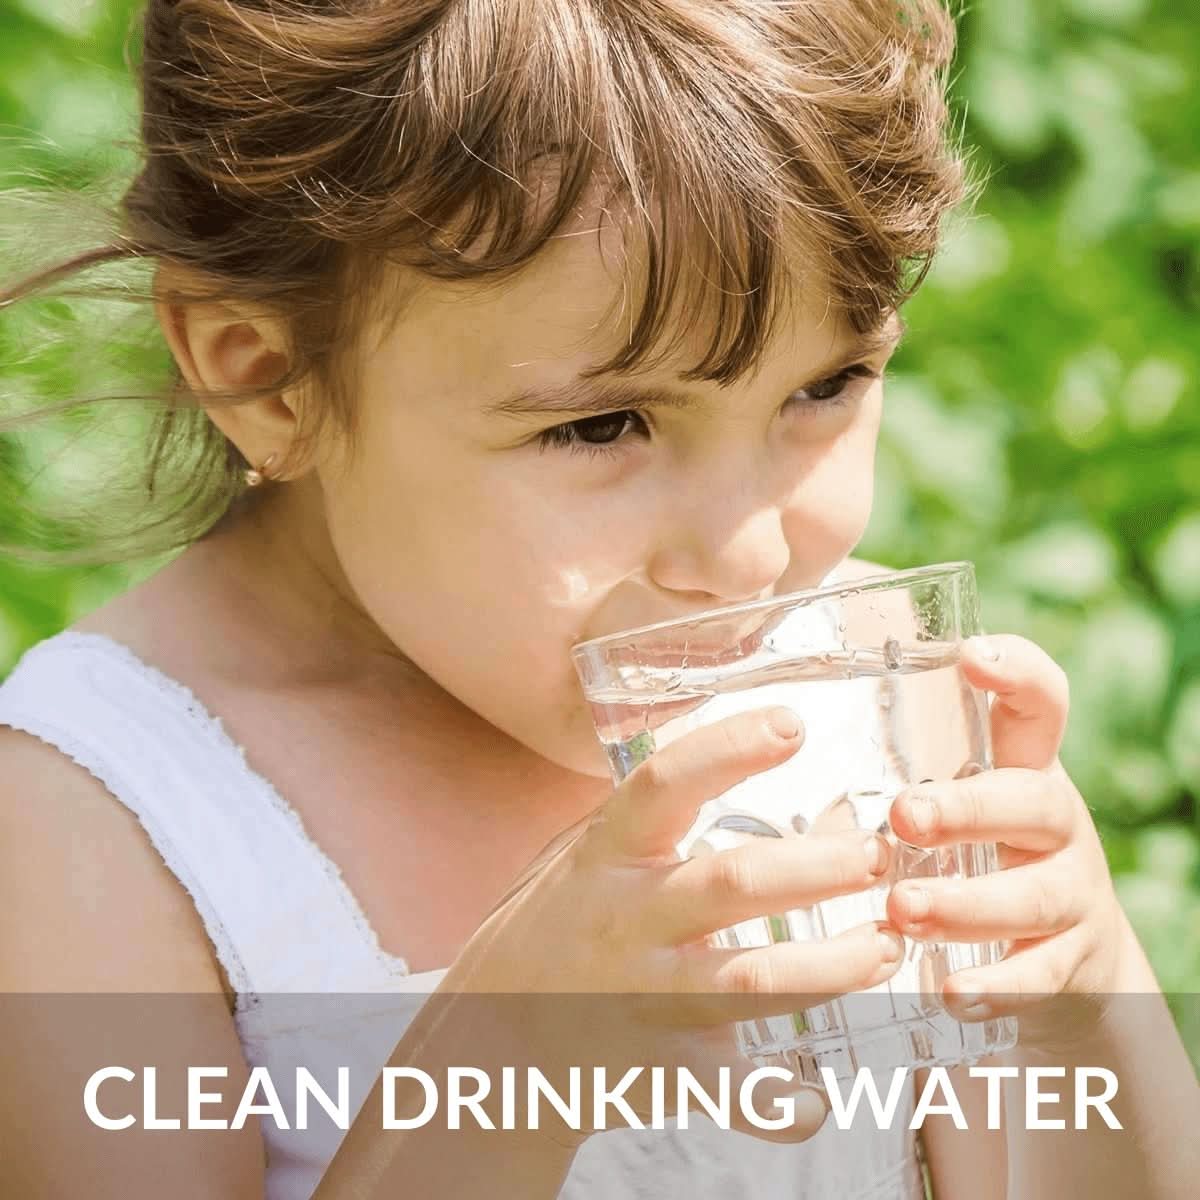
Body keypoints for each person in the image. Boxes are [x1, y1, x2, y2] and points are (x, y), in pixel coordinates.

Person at [0, 2, 1194, 1198]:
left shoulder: (861, 697)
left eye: (828, 384)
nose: (747, 559)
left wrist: (1084, 999)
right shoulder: (87, 830)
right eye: (603, 425)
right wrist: (514, 1047)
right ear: (264, 377)